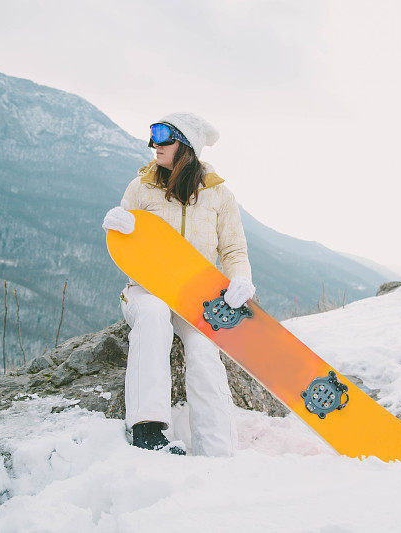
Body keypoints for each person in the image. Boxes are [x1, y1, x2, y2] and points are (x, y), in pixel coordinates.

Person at [102, 112, 255, 457]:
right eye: (152, 136)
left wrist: (241, 279)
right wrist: (118, 227)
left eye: (163, 137)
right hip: (146, 291)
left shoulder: (220, 196)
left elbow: (233, 250)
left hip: (195, 298)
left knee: (203, 349)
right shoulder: (140, 185)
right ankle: (147, 428)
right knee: (154, 315)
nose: (153, 145)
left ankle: (217, 449)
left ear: (186, 145)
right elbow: (125, 234)